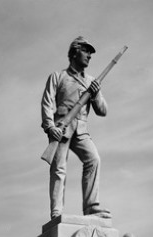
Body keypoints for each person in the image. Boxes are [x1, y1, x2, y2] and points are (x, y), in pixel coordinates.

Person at [41, 37, 111, 220]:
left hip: (81, 129)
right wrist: (49, 127)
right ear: (75, 52)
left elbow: (103, 111)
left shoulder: (91, 81)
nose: (89, 56)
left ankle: (91, 206)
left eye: (90, 52)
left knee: (94, 159)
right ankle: (56, 211)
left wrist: (95, 95)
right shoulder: (58, 77)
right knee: (59, 169)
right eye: (86, 51)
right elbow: (47, 103)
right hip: (61, 129)